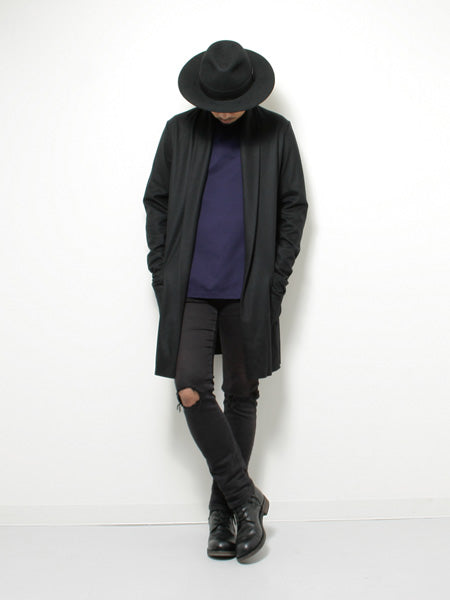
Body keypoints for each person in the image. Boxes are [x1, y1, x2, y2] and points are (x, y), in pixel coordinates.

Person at [143, 40, 308, 562]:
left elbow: (293, 207)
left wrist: (275, 281)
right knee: (191, 386)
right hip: (190, 287)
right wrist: (162, 272)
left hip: (249, 286)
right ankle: (244, 499)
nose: (226, 111)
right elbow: (156, 202)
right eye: (216, 103)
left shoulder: (276, 134)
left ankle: (222, 515)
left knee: (241, 391)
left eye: (235, 102)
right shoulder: (179, 132)